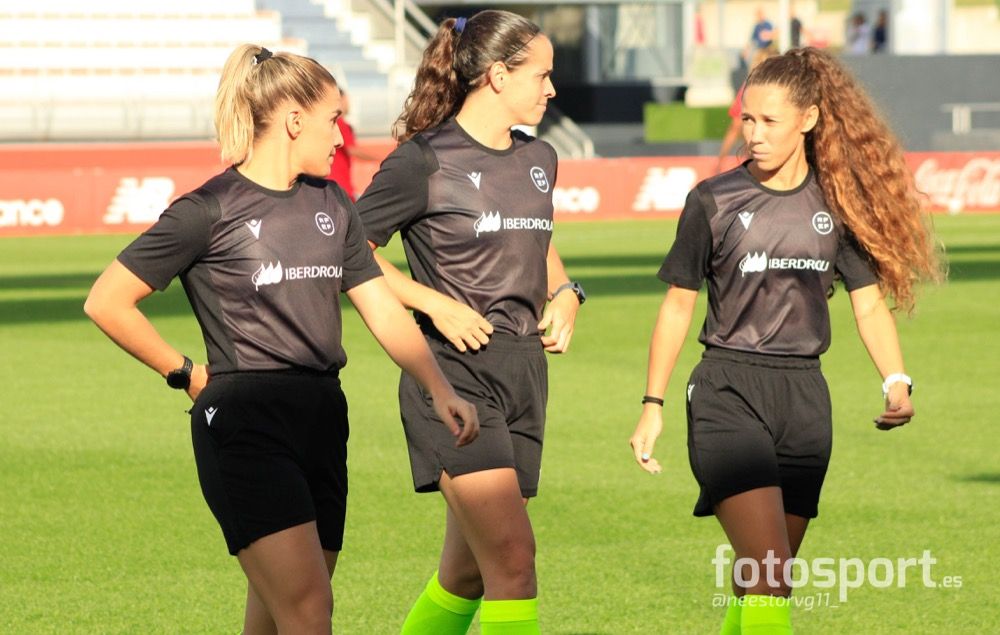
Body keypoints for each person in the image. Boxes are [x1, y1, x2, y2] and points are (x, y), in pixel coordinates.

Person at [84, 44, 479, 634]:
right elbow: (107, 300)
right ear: (295, 120)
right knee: (309, 611)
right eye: (333, 120)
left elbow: (381, 307)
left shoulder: (333, 203)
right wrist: (185, 373)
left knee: (276, 617)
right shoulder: (208, 209)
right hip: (247, 423)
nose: (341, 137)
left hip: (322, 416)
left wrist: (439, 387)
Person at [630, 48, 940, 634]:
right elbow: (677, 305)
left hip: (804, 402)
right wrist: (653, 404)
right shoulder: (712, 200)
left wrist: (896, 381)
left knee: (764, 576)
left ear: (809, 119)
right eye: (748, 119)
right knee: (770, 571)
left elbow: (868, 302)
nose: (754, 133)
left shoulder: (836, 206)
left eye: (770, 120)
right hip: (727, 392)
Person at [354, 10, 582, 635]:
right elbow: (350, 253)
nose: (551, 89)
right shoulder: (422, 161)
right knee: (514, 561)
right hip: (452, 377)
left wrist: (566, 292)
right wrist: (433, 302)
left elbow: (535, 238)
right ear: (498, 76)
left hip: (524, 372)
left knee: (468, 574)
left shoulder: (541, 158)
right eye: (541, 75)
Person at [715, 46, 778, 174]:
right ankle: (723, 163)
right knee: (741, 129)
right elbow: (735, 126)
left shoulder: (780, 88)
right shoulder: (749, 86)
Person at [326, 89, 380, 200]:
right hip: (340, 185)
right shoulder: (340, 123)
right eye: (347, 100)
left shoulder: (331, 123)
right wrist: (379, 158)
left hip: (335, 184)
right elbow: (352, 150)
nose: (349, 104)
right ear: (340, 100)